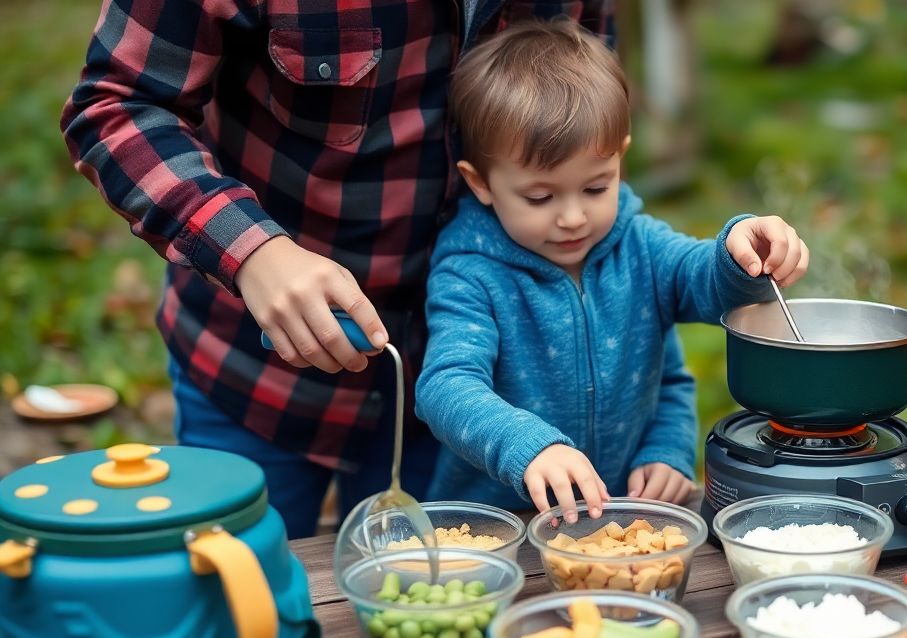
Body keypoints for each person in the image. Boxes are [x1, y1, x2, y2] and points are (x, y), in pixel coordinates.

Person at [60, 1, 615, 537]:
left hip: (470, 404)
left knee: (420, 609)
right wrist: (252, 252)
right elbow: (115, 105)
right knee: (243, 603)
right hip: (255, 376)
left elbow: (585, 114)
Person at [417, 20, 810, 523]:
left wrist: (740, 250)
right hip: (494, 531)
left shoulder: (640, 247)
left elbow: (690, 323)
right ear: (481, 184)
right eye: (540, 196)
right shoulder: (471, 275)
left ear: (619, 159)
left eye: (596, 187)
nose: (573, 217)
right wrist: (530, 449)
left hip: (623, 521)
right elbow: (446, 386)